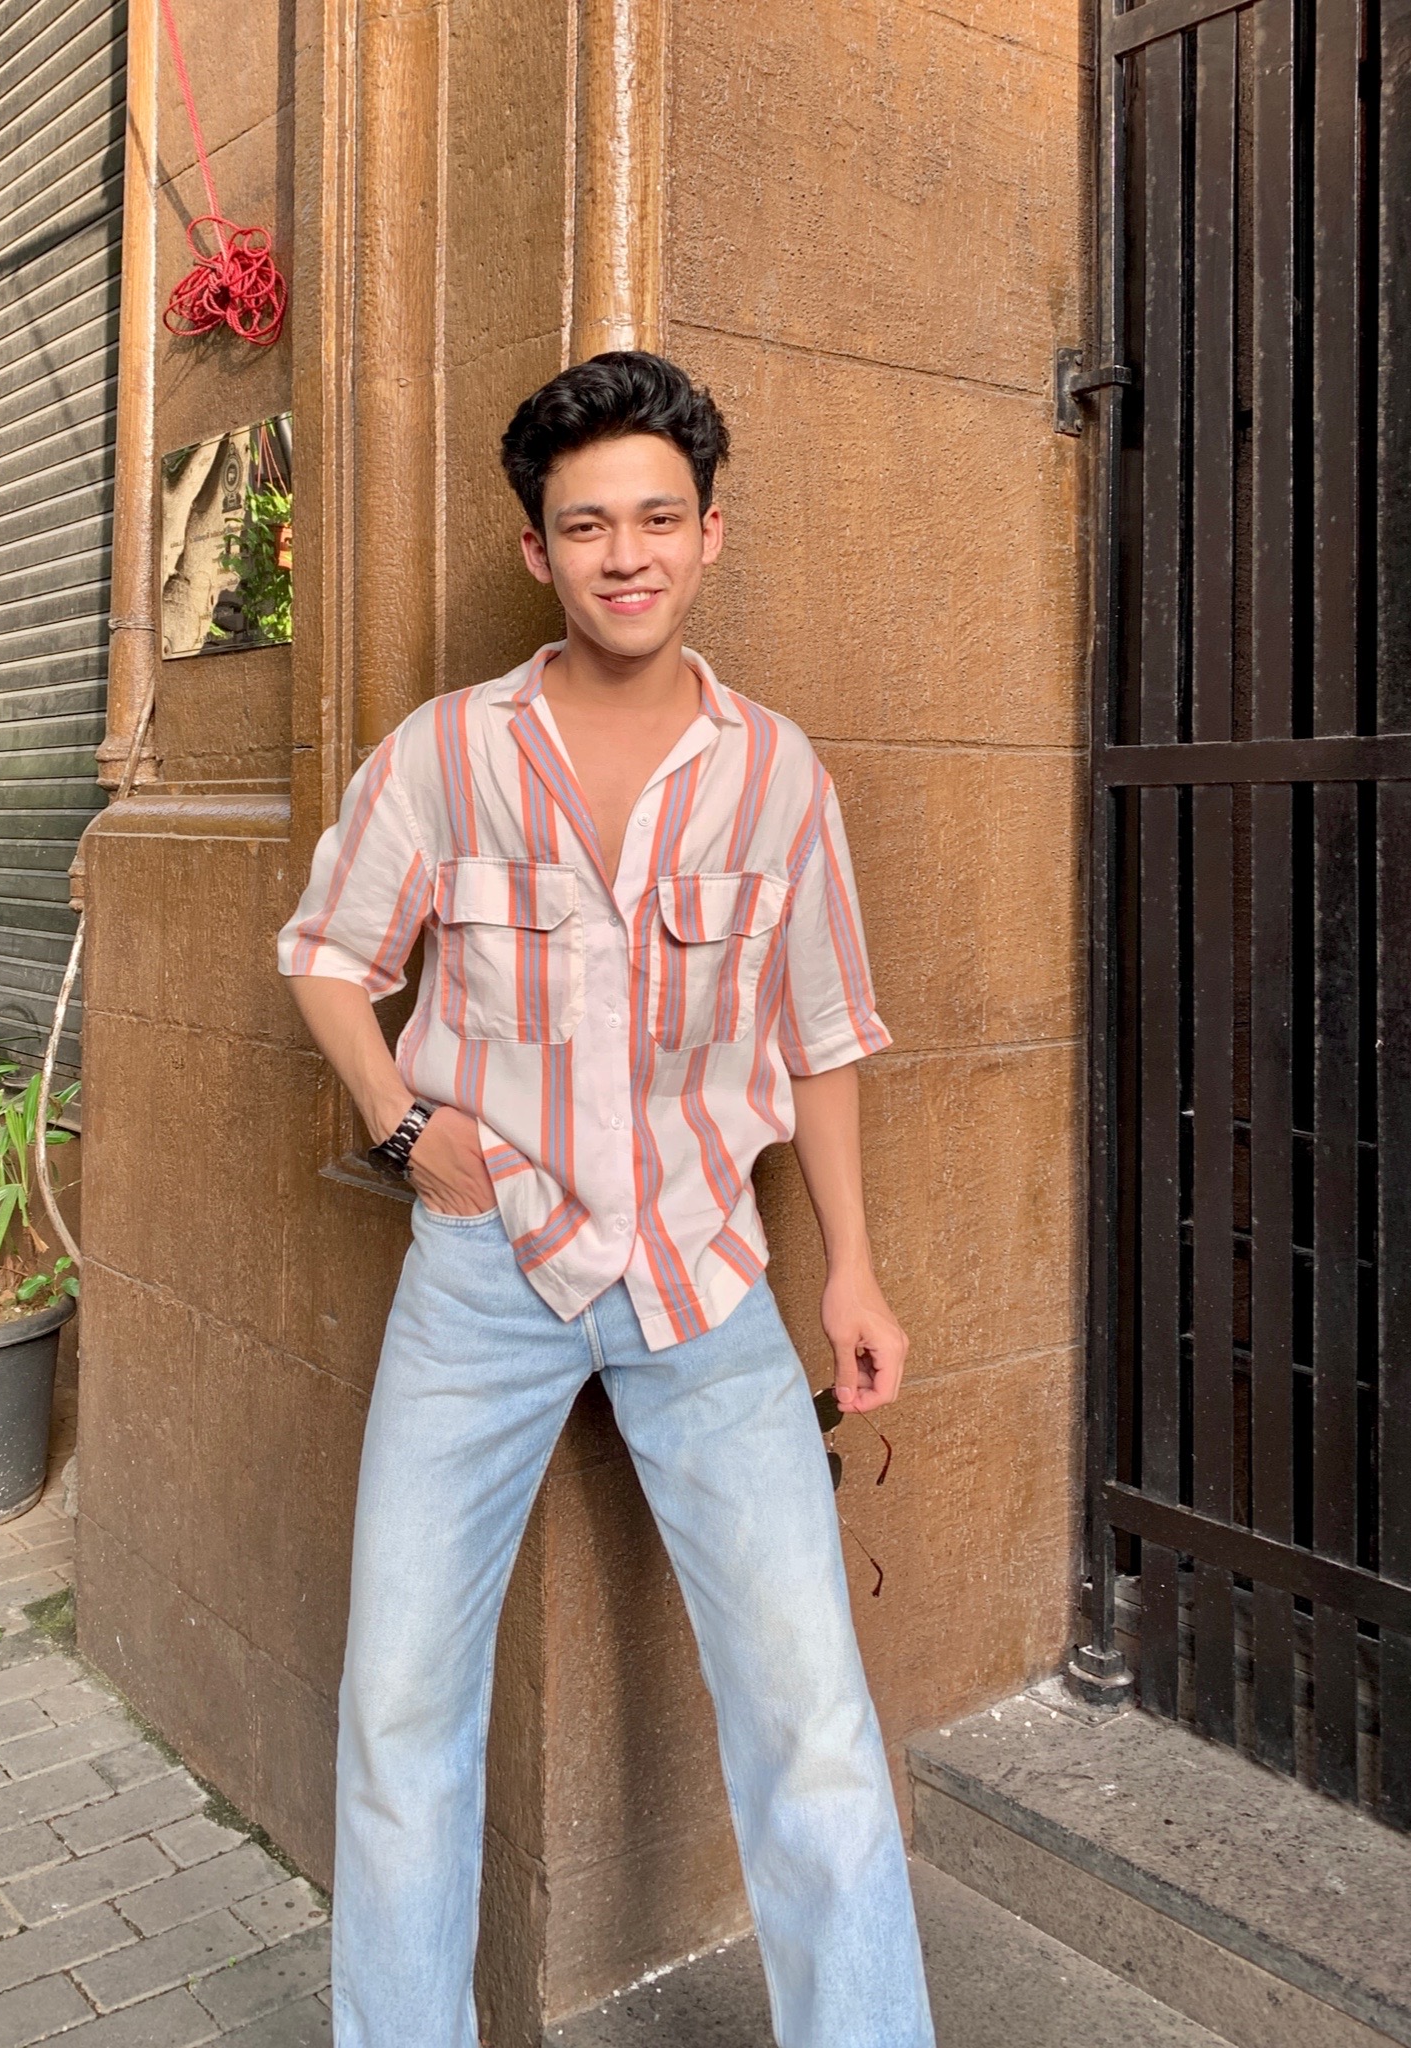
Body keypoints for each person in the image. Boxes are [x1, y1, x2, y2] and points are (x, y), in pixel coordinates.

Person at [278, 351, 934, 2048]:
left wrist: (851, 1274)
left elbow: (824, 1035)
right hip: (483, 1273)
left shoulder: (777, 774)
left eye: (657, 517)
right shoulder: (447, 754)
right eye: (586, 526)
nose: (624, 554)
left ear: (711, 534)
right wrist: (401, 1123)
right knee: (401, 1705)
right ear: (538, 551)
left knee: (812, 1717)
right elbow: (328, 954)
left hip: (708, 1278)